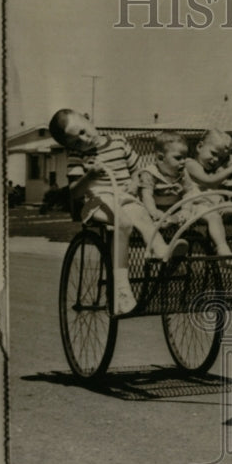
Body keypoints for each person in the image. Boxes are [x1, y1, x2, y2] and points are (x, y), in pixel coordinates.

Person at [48, 109, 185, 315]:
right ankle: (121, 290)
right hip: (97, 201)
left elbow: (138, 170)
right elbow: (75, 192)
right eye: (76, 142)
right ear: (70, 147)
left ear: (88, 119)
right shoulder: (77, 157)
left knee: (140, 214)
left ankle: (162, 252)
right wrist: (90, 176)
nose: (84, 140)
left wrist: (133, 181)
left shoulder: (119, 142)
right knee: (124, 223)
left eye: (84, 132)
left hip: (124, 196)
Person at [184, 128, 232, 256]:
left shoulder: (215, 168)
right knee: (214, 217)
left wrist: (225, 162)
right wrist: (229, 170)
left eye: (220, 158)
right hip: (197, 207)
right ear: (200, 146)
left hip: (215, 206)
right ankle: (222, 249)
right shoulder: (190, 164)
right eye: (213, 153)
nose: (215, 160)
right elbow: (209, 181)